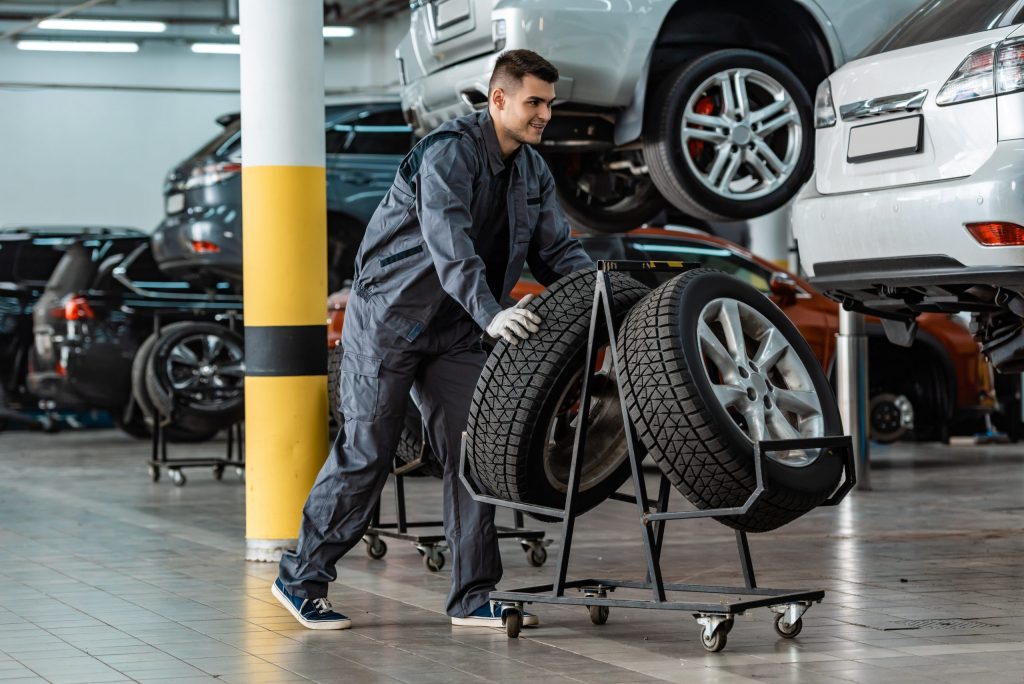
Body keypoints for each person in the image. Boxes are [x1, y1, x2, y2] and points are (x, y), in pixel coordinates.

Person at [272, 49, 593, 630]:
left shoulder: (532, 170)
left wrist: (601, 293)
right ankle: (300, 579)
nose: (546, 113)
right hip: (390, 319)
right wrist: (491, 312)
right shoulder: (449, 152)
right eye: (535, 102)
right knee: (367, 452)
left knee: (476, 454)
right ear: (499, 100)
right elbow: (451, 244)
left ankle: (472, 595)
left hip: (457, 331)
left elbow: (557, 251)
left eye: (550, 102)